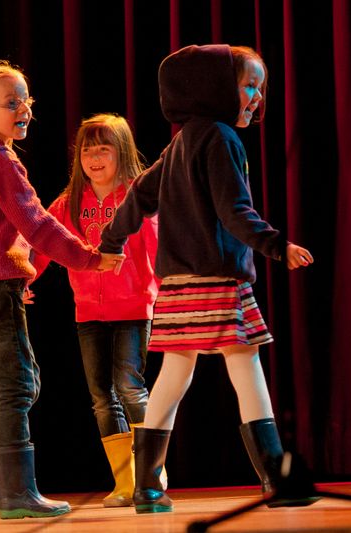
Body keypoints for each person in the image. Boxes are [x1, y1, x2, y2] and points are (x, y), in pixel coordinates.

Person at [98, 44, 318, 513]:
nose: (257, 97)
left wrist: (111, 242)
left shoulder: (180, 143)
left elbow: (138, 196)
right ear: (213, 88)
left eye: (260, 88)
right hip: (217, 280)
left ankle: (147, 487)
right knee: (246, 366)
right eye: (249, 86)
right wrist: (277, 245)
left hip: (178, 285)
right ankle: (275, 479)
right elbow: (234, 210)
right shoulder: (221, 138)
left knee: (174, 374)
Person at [0, 60, 123, 519]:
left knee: (16, 382)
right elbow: (36, 223)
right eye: (12, 102)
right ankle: (15, 492)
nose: (25, 110)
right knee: (19, 384)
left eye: (27, 101)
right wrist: (90, 257)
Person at [32, 114, 159, 507]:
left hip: (133, 307)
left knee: (130, 386)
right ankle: (125, 482)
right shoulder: (69, 202)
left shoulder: (138, 196)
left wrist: (166, 289)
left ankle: (152, 473)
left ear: (122, 152)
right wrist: (25, 279)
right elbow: (42, 242)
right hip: (88, 312)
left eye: (104, 149)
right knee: (102, 396)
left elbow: (158, 246)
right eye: (88, 151)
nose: (95, 158)